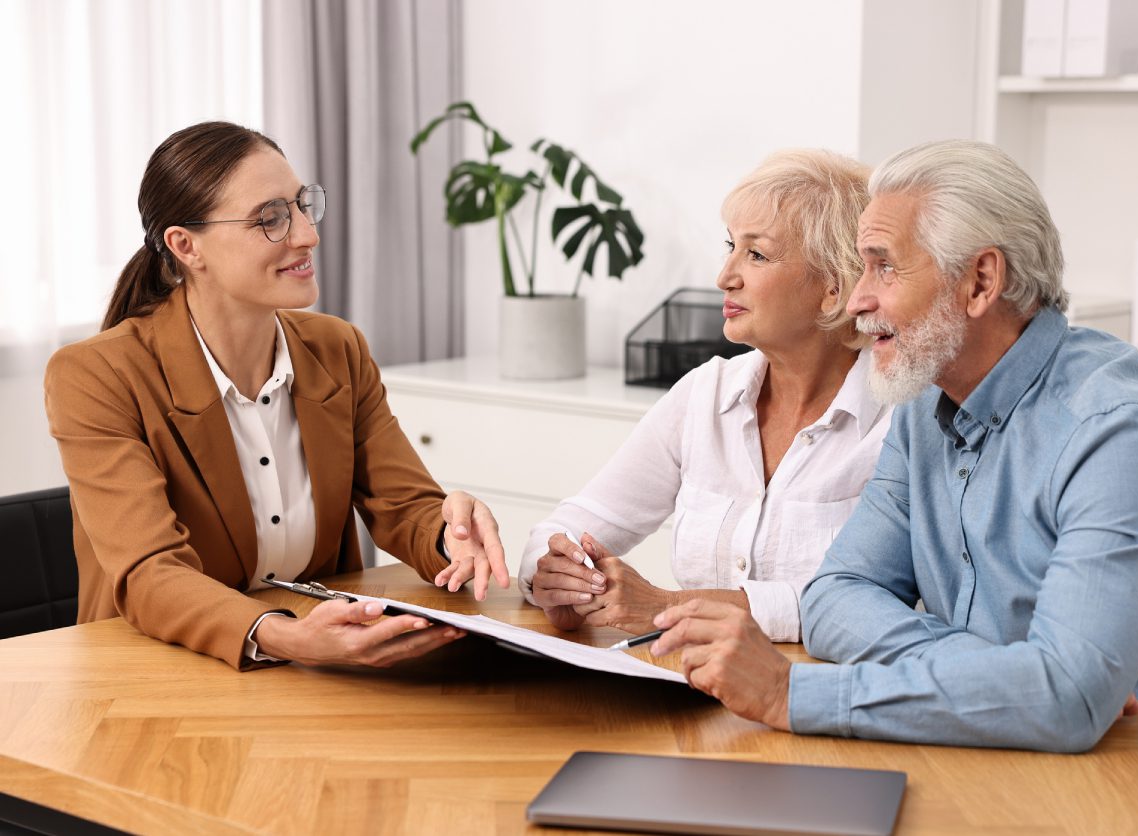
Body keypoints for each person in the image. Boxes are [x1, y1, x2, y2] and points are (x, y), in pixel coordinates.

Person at [648, 139, 1138, 751]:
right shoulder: (920, 404)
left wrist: (788, 695)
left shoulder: (1121, 432)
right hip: (999, 751)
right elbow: (835, 597)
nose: (857, 299)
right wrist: (1001, 674)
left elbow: (1067, 703)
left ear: (981, 281)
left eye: (883, 265)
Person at [44, 121, 508, 670]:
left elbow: (405, 506)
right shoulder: (94, 375)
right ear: (186, 245)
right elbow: (151, 574)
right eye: (270, 218)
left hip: (314, 668)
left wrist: (448, 536)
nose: (307, 234)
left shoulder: (338, 349)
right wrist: (287, 638)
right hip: (153, 674)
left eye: (302, 205)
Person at [518, 149, 890, 642]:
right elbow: (574, 523)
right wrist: (560, 576)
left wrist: (673, 606)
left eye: (756, 254)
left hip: (821, 694)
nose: (724, 276)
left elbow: (872, 601)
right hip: (687, 687)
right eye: (730, 246)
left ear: (834, 287)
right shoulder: (704, 394)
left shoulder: (898, 421)